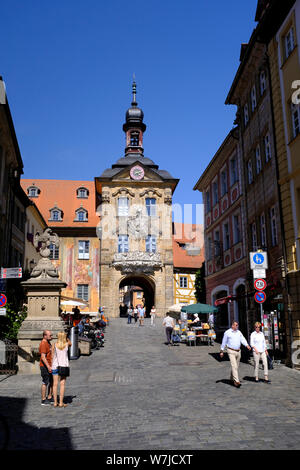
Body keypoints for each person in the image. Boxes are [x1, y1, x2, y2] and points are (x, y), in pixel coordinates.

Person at [220, 321, 251, 387]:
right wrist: (221, 351)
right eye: (236, 325)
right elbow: (224, 341)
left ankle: (231, 378)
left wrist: (247, 345)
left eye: (237, 325)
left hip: (238, 351)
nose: (237, 326)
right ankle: (237, 381)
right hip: (230, 351)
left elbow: (242, 339)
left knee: (236, 366)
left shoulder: (239, 332)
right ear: (232, 325)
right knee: (234, 366)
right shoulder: (227, 332)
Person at [51, 331, 72, 408]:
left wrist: (51, 365)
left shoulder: (54, 345)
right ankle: (61, 402)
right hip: (64, 366)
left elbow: (52, 356)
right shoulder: (66, 344)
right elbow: (70, 343)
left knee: (55, 384)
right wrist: (67, 338)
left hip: (55, 366)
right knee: (62, 384)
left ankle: (55, 402)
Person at [39, 330, 53, 406]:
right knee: (45, 382)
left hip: (50, 366)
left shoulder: (48, 342)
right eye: (50, 335)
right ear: (45, 336)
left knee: (52, 381)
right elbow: (43, 357)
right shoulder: (43, 343)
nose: (51, 336)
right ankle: (43, 399)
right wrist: (48, 367)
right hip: (45, 367)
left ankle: (50, 396)